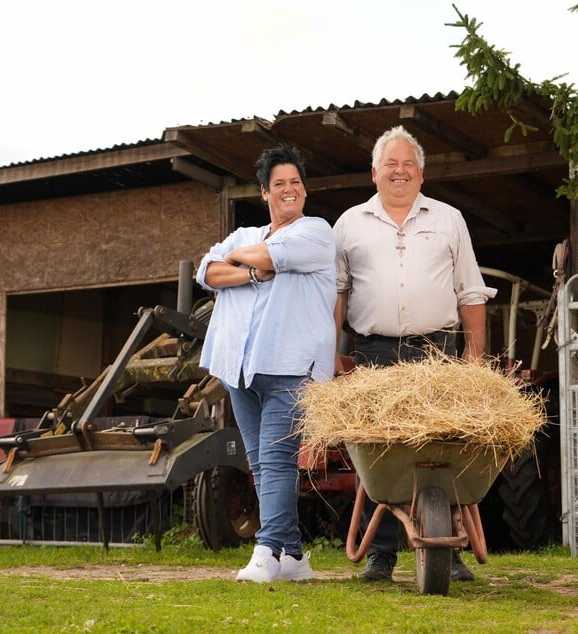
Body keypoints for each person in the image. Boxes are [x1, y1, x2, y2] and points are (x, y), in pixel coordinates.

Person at [333, 125, 497, 582]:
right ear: (374, 173)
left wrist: (475, 360)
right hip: (374, 353)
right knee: (380, 453)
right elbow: (338, 297)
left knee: (442, 450)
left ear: (421, 174)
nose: (399, 171)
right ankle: (380, 555)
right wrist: (329, 357)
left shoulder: (448, 219)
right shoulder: (348, 224)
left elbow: (471, 292)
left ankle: (453, 549)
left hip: (437, 352)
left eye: (408, 164)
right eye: (391, 164)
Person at [197, 144, 336, 583]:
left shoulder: (315, 232)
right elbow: (207, 271)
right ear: (264, 191)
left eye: (295, 183)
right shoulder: (244, 236)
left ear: (304, 190)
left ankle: (265, 552)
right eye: (280, 184)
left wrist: (243, 259)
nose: (289, 190)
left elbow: (272, 256)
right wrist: (250, 272)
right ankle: (293, 557)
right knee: (260, 464)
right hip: (239, 367)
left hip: (290, 366)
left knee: (276, 462)